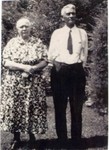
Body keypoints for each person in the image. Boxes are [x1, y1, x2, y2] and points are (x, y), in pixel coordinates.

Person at [1, 17, 48, 146]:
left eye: (26, 26)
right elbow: (6, 61)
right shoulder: (12, 43)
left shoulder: (37, 42)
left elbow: (45, 60)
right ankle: (16, 138)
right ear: (17, 29)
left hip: (34, 82)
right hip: (15, 82)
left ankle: (32, 137)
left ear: (30, 28)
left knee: (32, 108)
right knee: (16, 108)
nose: (24, 29)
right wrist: (23, 67)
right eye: (21, 27)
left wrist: (33, 68)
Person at [48, 4, 88, 144]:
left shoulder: (82, 33)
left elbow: (84, 54)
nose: (71, 16)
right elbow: (51, 54)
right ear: (63, 17)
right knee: (60, 107)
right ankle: (62, 140)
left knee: (76, 108)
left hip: (77, 71)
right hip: (60, 72)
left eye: (73, 13)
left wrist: (78, 68)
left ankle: (76, 140)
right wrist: (59, 66)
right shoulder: (57, 33)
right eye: (68, 14)